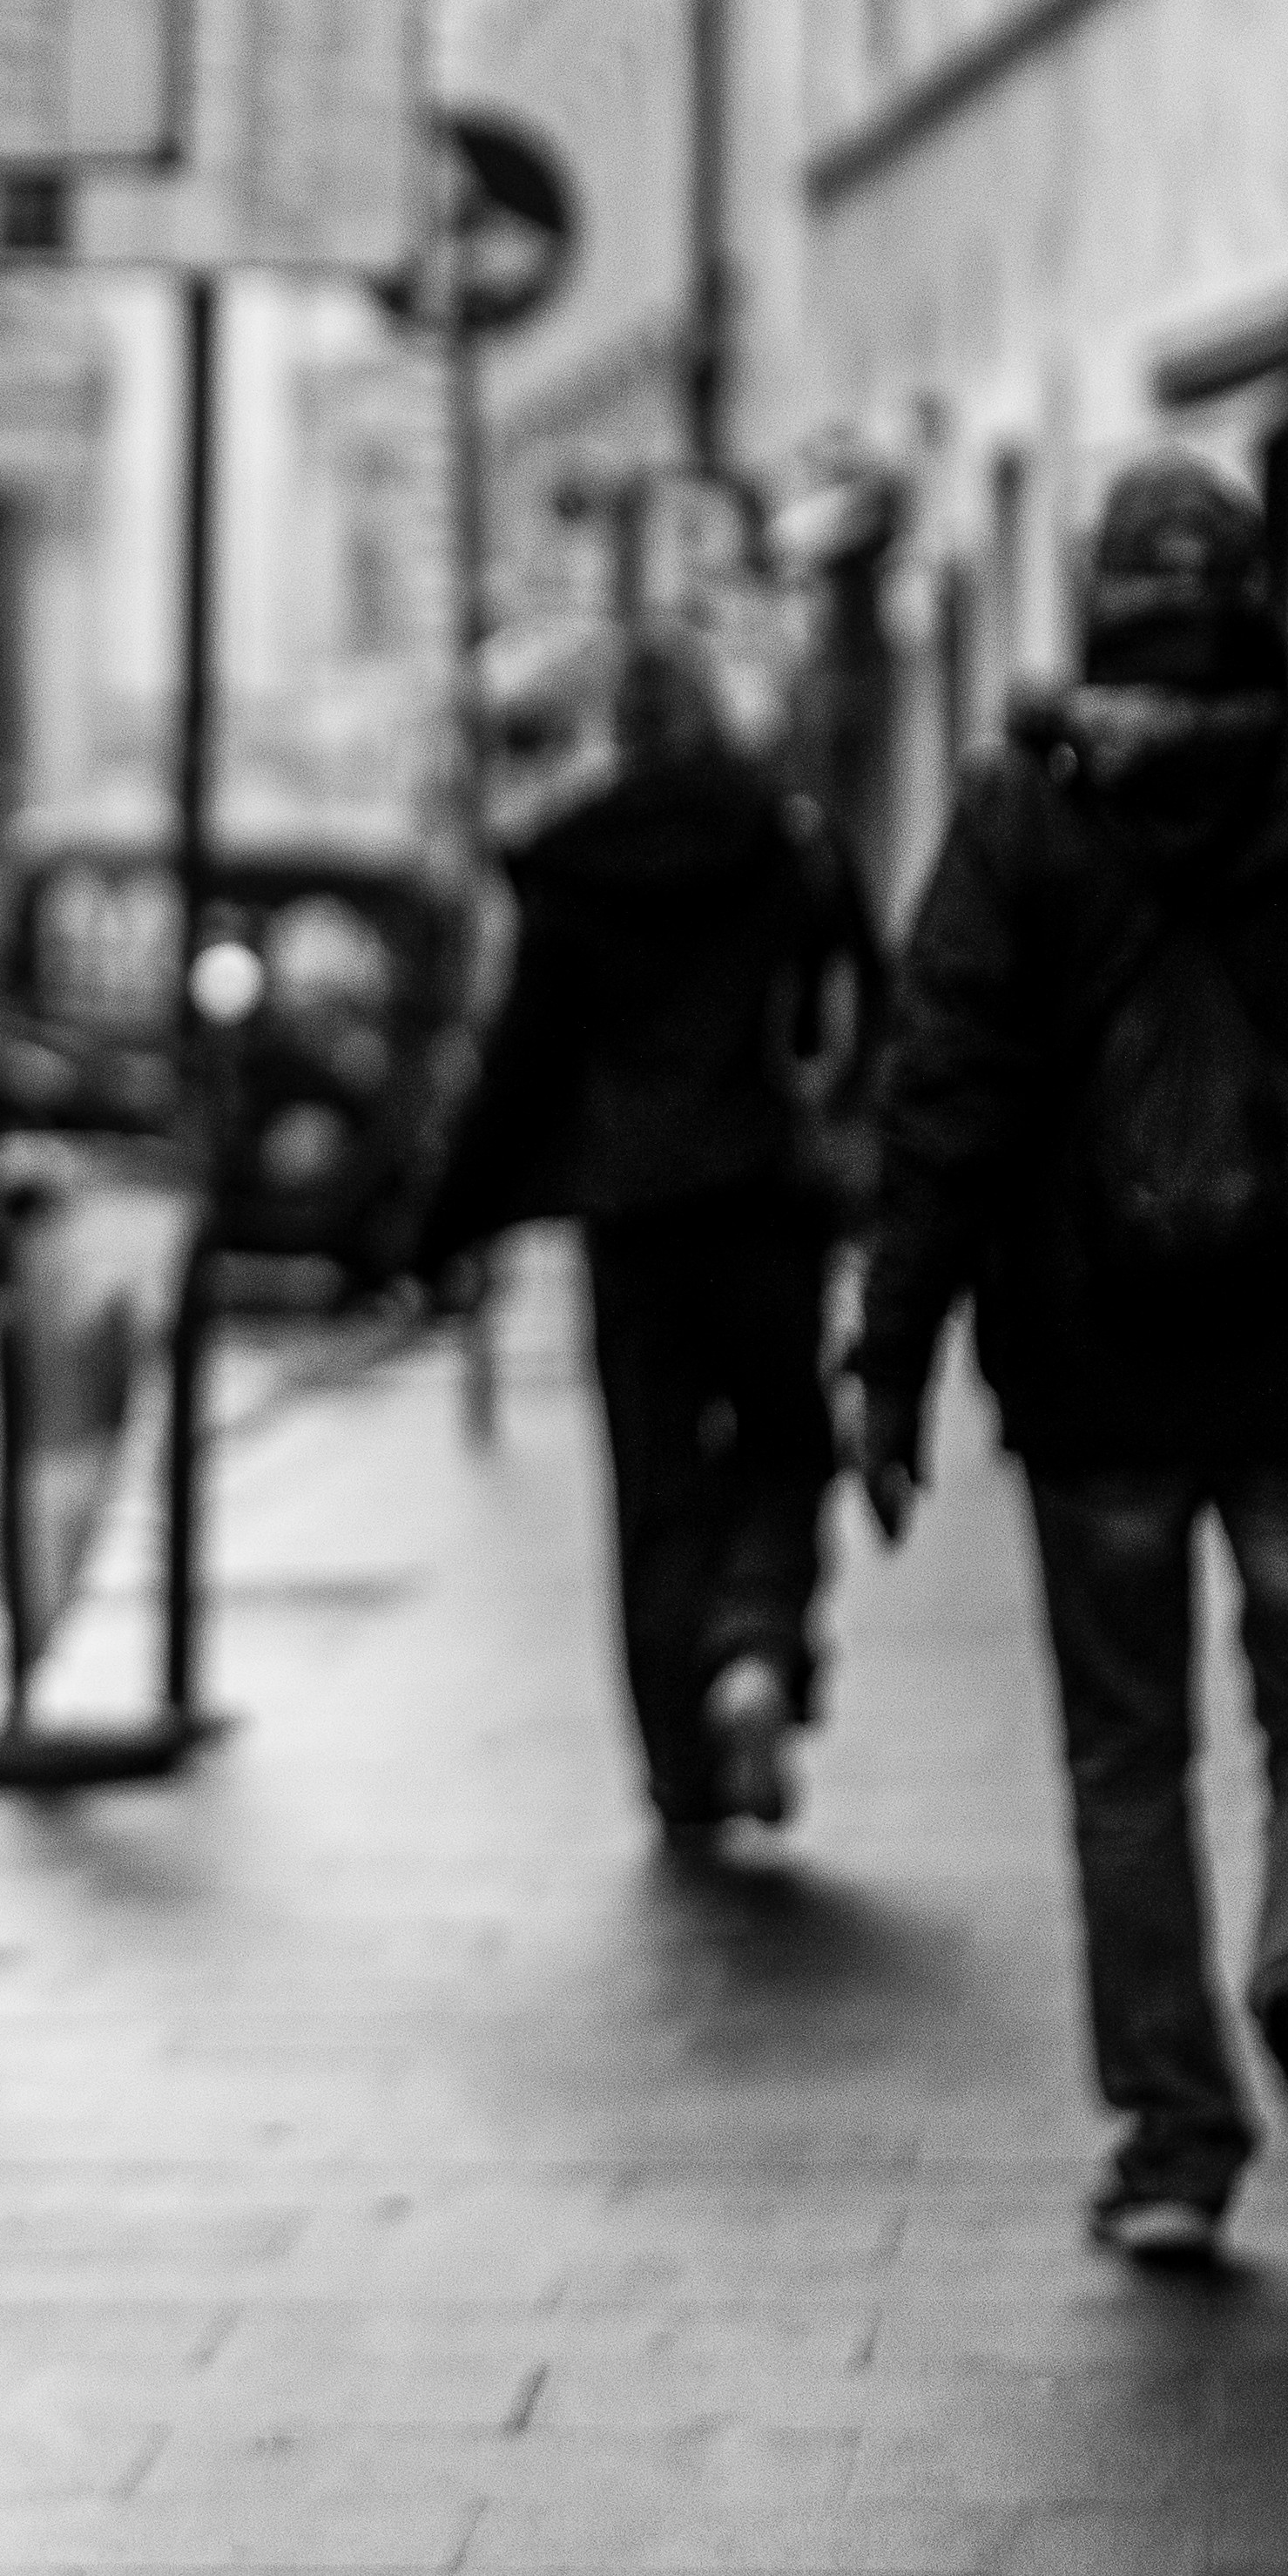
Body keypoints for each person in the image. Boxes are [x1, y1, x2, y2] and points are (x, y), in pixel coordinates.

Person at [853, 446, 1288, 2276]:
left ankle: (1174, 2137)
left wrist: (891, 1359)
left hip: (1092, 1378)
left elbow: (940, 1101)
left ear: (1097, 609)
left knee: (1125, 1759)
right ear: (1261, 603)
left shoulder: (1020, 815)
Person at [412, 621, 885, 1844]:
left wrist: (437, 1229)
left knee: (656, 1487)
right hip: (764, 1198)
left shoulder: (572, 866)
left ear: (615, 735)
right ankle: (759, 1644)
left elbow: (519, 1068)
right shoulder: (783, 837)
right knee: (785, 1444)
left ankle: (683, 1767)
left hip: (631, 1217)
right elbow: (859, 1006)